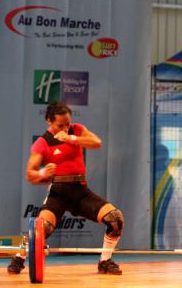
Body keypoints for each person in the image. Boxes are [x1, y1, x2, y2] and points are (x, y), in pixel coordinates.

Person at [7, 102, 124, 275]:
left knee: (115, 219)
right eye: (60, 125)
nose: (65, 127)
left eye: (67, 123)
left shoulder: (76, 131)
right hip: (58, 193)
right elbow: (30, 174)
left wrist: (71, 138)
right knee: (42, 228)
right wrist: (42, 173)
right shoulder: (42, 143)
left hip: (80, 191)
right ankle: (19, 257)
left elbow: (96, 142)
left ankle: (105, 261)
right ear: (49, 121)